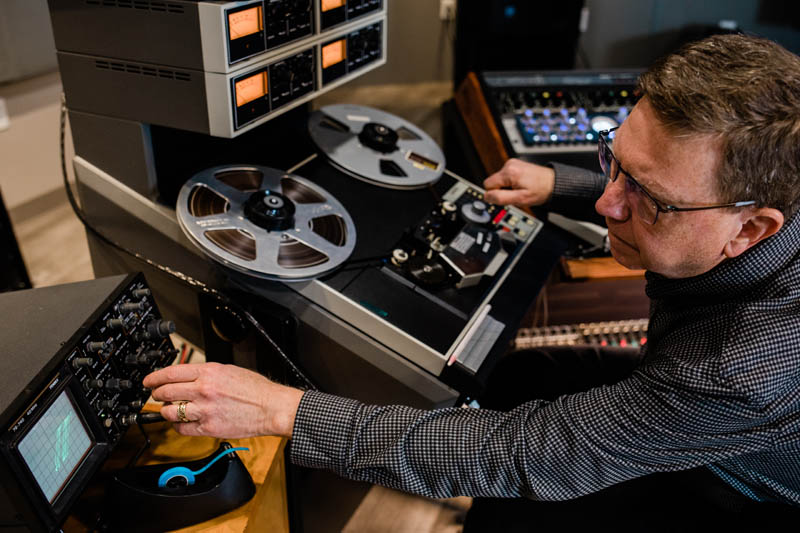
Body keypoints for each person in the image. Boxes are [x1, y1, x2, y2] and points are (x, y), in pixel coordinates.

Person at [144, 34, 800, 530]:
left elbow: (531, 452)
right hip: (702, 389)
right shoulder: (767, 183)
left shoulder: (735, 371)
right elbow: (665, 185)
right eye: (616, 164)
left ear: (749, 232)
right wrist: (563, 183)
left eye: (645, 196)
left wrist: (286, 410)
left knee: (529, 480)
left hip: (738, 484)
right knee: (515, 378)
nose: (610, 203)